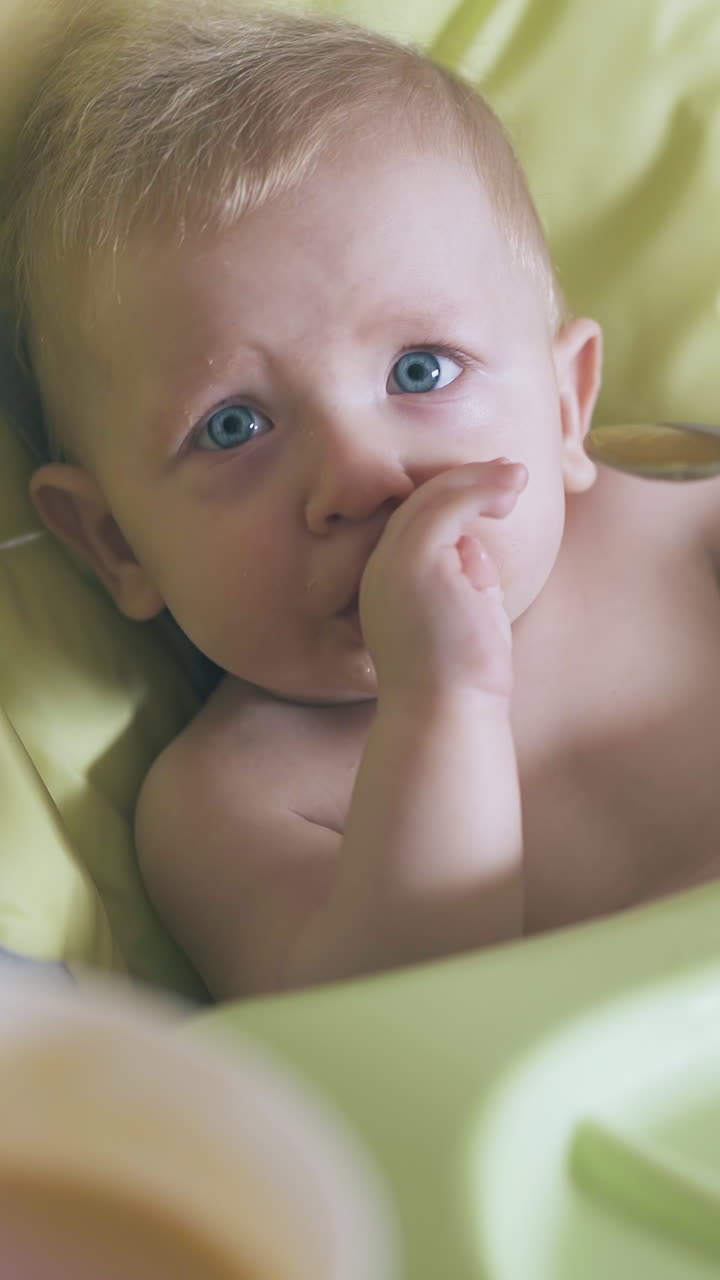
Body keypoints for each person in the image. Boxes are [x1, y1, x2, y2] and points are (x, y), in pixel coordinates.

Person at [3, 0, 720, 1001]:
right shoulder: (234, 802)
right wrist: (445, 702)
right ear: (114, 542)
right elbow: (399, 1032)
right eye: (233, 426)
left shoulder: (691, 536)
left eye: (422, 370)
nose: (361, 478)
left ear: (566, 406)